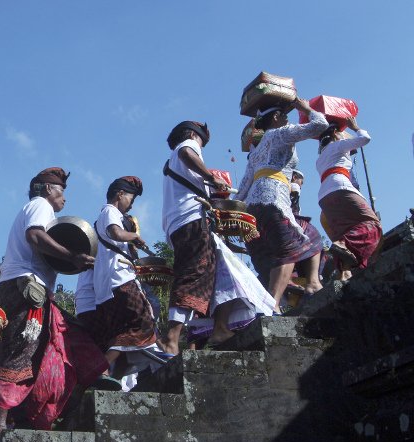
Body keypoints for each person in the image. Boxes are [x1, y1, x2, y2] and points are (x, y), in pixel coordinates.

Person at [0, 167, 107, 442]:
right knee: (20, 351)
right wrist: (73, 256)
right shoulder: (40, 206)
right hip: (28, 289)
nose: (64, 199)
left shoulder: (34, 208)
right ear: (48, 188)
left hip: (29, 288)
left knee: (60, 339)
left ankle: (33, 415)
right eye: (61, 191)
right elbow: (36, 237)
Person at [235, 98, 329, 312]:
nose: (288, 118)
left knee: (307, 236)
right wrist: (304, 108)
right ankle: (272, 305)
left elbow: (242, 188)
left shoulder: (256, 151)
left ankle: (310, 283)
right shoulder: (279, 133)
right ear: (276, 117)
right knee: (288, 251)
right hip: (273, 197)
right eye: (284, 114)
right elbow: (320, 126)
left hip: (252, 208)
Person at [161, 121, 230, 354]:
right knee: (194, 274)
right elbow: (187, 152)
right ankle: (171, 338)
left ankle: (207, 334)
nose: (201, 146)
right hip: (191, 220)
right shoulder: (187, 146)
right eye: (202, 141)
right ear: (192, 134)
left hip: (178, 225)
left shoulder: (172, 164)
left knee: (204, 275)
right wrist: (210, 176)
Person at [83, 176, 156, 379]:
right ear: (120, 194)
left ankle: (113, 376)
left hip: (109, 285)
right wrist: (134, 236)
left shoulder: (106, 216)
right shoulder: (110, 211)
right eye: (131, 198)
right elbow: (115, 233)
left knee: (121, 330)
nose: (132, 204)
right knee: (143, 322)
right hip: (120, 278)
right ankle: (103, 367)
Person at [316, 117, 382, 280]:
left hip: (324, 196)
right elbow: (365, 139)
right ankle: (344, 245)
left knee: (346, 231)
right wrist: (355, 127)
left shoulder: (320, 158)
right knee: (372, 225)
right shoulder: (337, 145)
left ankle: (343, 272)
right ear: (335, 134)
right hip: (340, 187)